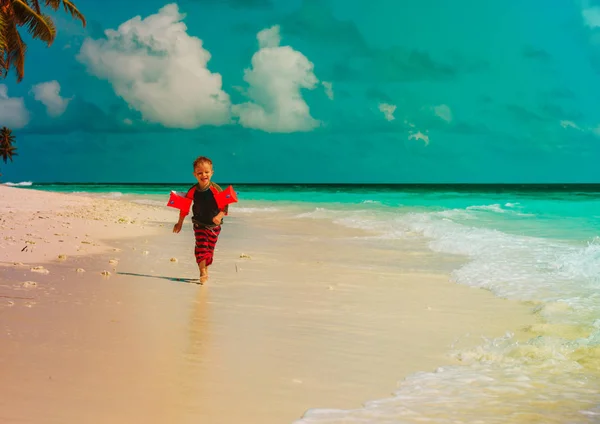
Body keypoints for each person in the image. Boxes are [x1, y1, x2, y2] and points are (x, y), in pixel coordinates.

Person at [173, 156, 229, 284]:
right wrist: (179, 223)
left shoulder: (216, 189)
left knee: (209, 250)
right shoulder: (193, 190)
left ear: (212, 173)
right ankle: (202, 272)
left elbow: (225, 206)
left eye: (206, 172)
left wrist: (219, 216)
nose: (203, 175)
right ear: (195, 175)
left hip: (214, 226)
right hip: (199, 224)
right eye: (200, 173)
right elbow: (184, 207)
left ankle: (205, 268)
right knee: (201, 246)